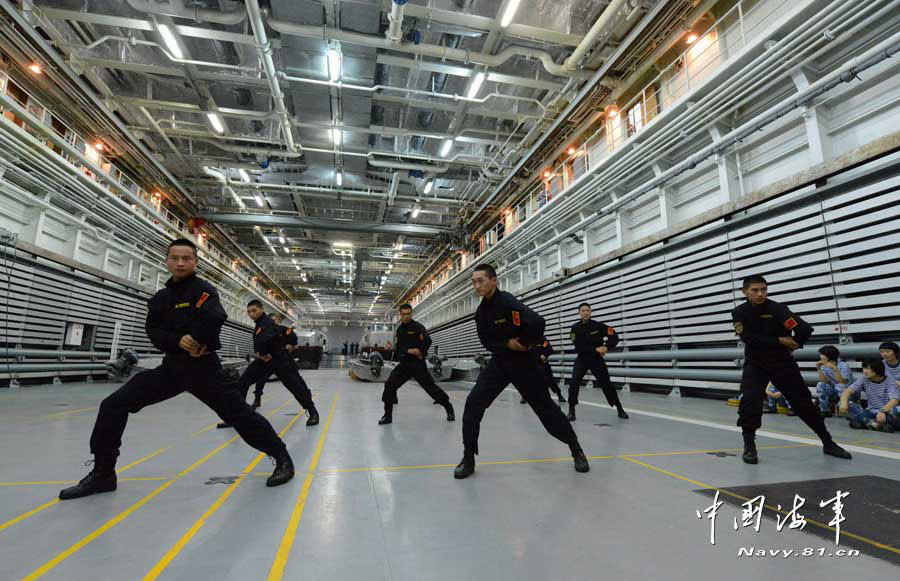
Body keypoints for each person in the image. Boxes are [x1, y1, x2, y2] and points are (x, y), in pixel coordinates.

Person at [59, 239, 294, 500]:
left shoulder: (204, 291)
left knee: (240, 415)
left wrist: (197, 340)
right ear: (167, 261)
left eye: (186, 258)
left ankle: (282, 458)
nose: (180, 262)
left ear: (195, 262)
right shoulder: (161, 298)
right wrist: (176, 341)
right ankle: (103, 474)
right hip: (171, 370)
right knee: (113, 405)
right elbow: (153, 330)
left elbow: (214, 317)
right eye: (175, 258)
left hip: (204, 369)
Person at [454, 264, 589, 479]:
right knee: (473, 404)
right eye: (473, 281)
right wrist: (508, 344)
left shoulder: (507, 302)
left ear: (493, 280)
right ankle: (468, 457)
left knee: (546, 409)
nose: (476, 285)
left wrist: (525, 343)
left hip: (524, 363)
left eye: (480, 280)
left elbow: (537, 322)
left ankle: (576, 449)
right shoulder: (481, 313)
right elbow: (486, 341)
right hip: (500, 363)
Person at [732, 274, 851, 464]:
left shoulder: (777, 309)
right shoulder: (740, 313)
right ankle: (749, 446)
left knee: (803, 403)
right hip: (756, 364)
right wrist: (779, 340)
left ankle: (828, 442)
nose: (760, 294)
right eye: (755, 290)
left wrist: (796, 344)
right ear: (744, 291)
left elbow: (804, 328)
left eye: (764, 289)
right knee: (749, 402)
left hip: (782, 363)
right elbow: (749, 338)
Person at [217, 300, 319, 429]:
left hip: (279, 361)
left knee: (295, 387)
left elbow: (264, 338)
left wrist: (263, 352)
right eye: (249, 312)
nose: (251, 314)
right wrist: (261, 354)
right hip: (264, 361)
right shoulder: (260, 323)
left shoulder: (267, 323)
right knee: (242, 383)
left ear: (261, 309)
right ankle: (236, 417)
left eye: (254, 310)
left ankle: (313, 412)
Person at [378, 304, 454, 425]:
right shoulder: (399, 330)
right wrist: (409, 351)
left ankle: (448, 407)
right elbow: (398, 347)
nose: (406, 316)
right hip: (405, 364)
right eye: (403, 314)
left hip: (417, 364)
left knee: (430, 388)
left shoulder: (418, 327)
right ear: (400, 315)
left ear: (411, 314)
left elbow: (428, 341)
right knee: (389, 385)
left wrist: (420, 352)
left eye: (408, 314)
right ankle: (387, 416)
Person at [566, 303, 627, 421]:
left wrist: (607, 347)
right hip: (582, 359)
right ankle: (571, 411)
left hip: (596, 360)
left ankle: (620, 409)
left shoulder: (598, 326)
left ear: (591, 312)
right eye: (583, 310)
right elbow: (578, 347)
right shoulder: (575, 328)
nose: (585, 312)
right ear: (579, 313)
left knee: (607, 384)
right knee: (573, 383)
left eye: (587, 310)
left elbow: (614, 336)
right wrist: (595, 349)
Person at [249, 313, 298, 409]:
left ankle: (307, 403)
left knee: (294, 381)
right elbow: (257, 345)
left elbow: (294, 341)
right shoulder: (262, 330)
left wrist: (290, 346)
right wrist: (259, 354)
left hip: (281, 360)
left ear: (278, 321)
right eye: (271, 320)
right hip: (267, 361)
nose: (273, 322)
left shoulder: (283, 329)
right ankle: (257, 399)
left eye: (275, 320)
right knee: (260, 380)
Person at [838, 359, 900, 432]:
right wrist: (844, 403)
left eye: (868, 368)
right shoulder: (864, 378)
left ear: (877, 369)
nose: (865, 371)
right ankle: (873, 424)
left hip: (887, 412)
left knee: (897, 410)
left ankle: (864, 422)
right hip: (870, 412)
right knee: (843, 403)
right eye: (864, 368)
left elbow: (895, 399)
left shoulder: (890, 380)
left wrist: (883, 411)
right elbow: (847, 391)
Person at [520, 337, 566, 404]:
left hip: (543, 364)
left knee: (550, 380)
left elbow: (550, 349)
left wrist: (544, 355)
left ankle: (559, 395)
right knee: (528, 381)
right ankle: (524, 397)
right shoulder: (527, 340)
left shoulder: (542, 339)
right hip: (531, 364)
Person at [814, 345, 853, 417]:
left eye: (822, 354)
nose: (820, 356)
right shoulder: (824, 366)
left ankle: (844, 409)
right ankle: (825, 410)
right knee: (820, 384)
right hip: (835, 392)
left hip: (848, 393)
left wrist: (835, 368)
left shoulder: (844, 365)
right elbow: (824, 382)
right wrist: (818, 368)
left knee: (840, 385)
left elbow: (842, 382)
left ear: (828, 356)